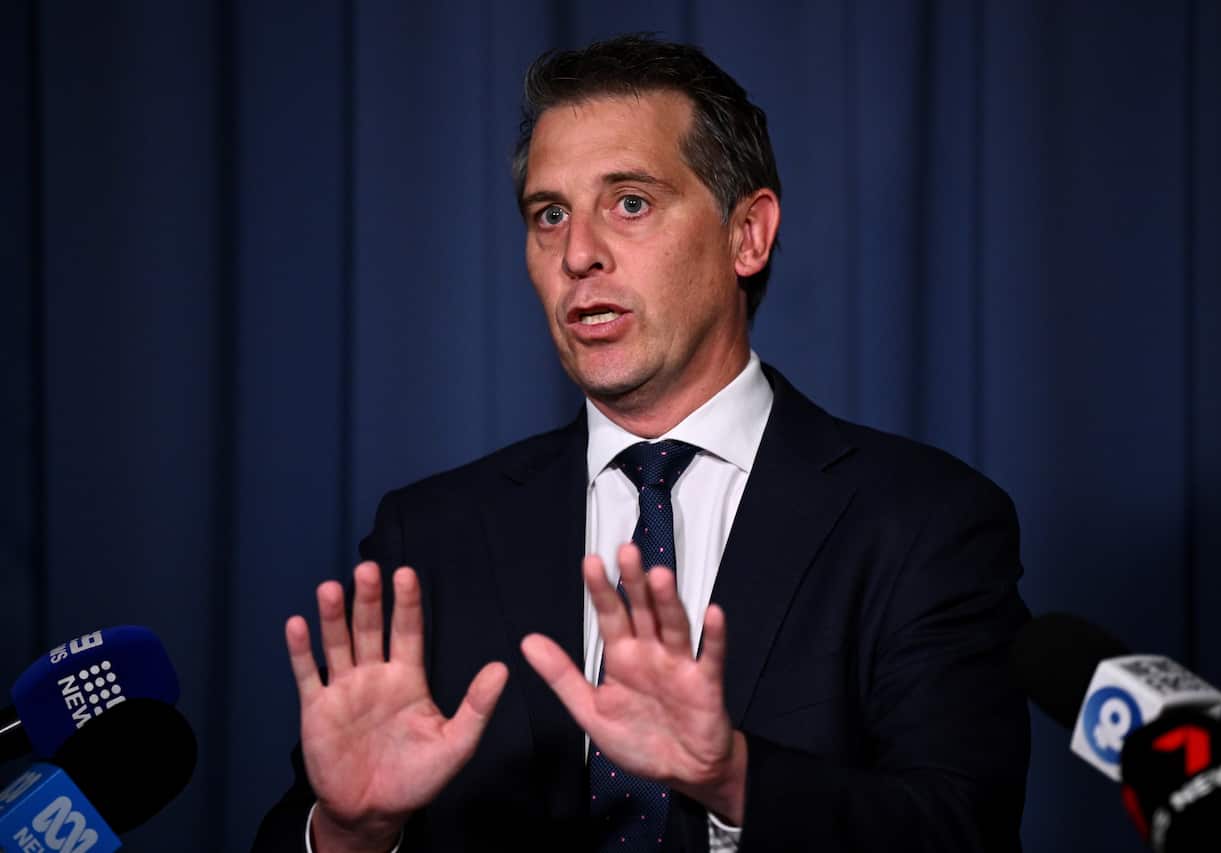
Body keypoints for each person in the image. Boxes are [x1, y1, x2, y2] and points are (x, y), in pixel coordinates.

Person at [253, 34, 1030, 853]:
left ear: (748, 235)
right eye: (549, 214)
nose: (578, 253)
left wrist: (732, 778)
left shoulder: (924, 520)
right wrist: (351, 828)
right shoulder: (433, 532)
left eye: (629, 202)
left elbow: (961, 830)